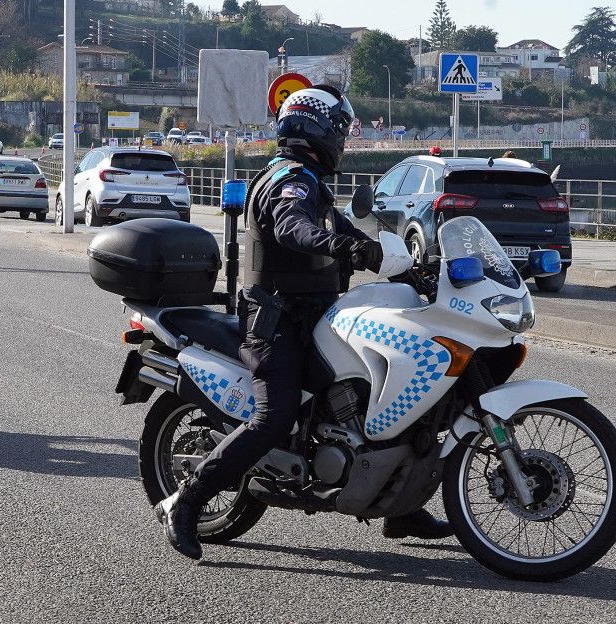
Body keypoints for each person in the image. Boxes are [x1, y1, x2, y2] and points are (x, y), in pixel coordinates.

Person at [154, 86, 454, 560]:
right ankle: (186, 502)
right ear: (313, 129)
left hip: (315, 315)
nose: (342, 140)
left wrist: (410, 266)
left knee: (378, 401)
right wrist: (345, 249)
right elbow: (292, 227)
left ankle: (399, 506)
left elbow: (344, 229)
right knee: (273, 418)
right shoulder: (288, 180)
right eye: (338, 131)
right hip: (276, 323)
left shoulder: (313, 181)